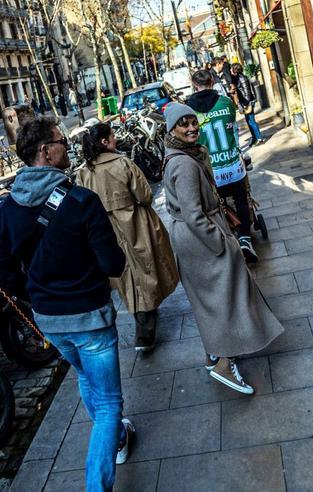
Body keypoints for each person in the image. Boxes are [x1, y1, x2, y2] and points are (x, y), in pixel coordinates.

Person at [0, 117, 134, 490]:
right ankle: (97, 483)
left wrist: (40, 293)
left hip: (51, 322)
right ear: (45, 151)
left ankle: (117, 438)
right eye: (61, 142)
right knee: (108, 407)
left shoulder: (6, 211)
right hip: (91, 319)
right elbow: (113, 264)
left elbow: (4, 275)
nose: (67, 148)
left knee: (86, 377)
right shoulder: (82, 201)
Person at [160, 103, 282, 394]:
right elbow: (194, 214)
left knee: (209, 299)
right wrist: (221, 243)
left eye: (193, 122)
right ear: (172, 129)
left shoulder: (181, 156)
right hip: (201, 239)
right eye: (183, 124)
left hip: (190, 237)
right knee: (225, 297)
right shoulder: (184, 164)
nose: (191, 128)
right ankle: (225, 364)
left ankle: (213, 353)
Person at [75, 123, 179, 352]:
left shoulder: (84, 172)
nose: (114, 140)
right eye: (111, 137)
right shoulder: (123, 163)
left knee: (125, 278)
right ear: (104, 141)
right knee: (146, 270)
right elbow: (145, 195)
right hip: (135, 225)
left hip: (105, 232)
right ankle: (145, 331)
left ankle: (144, 321)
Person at [185, 68, 258, 263]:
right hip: (232, 166)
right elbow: (231, 124)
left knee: (217, 205)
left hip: (210, 169)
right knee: (241, 198)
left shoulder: (188, 109)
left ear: (194, 84)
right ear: (212, 81)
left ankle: (228, 238)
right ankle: (245, 238)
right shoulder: (225, 102)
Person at [230, 63, 265, 146]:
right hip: (245, 102)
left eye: (232, 69)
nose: (231, 70)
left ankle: (259, 138)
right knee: (249, 121)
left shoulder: (242, 79)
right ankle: (254, 137)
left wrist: (246, 103)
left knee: (251, 120)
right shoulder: (237, 78)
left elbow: (247, 92)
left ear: (235, 70)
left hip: (248, 102)